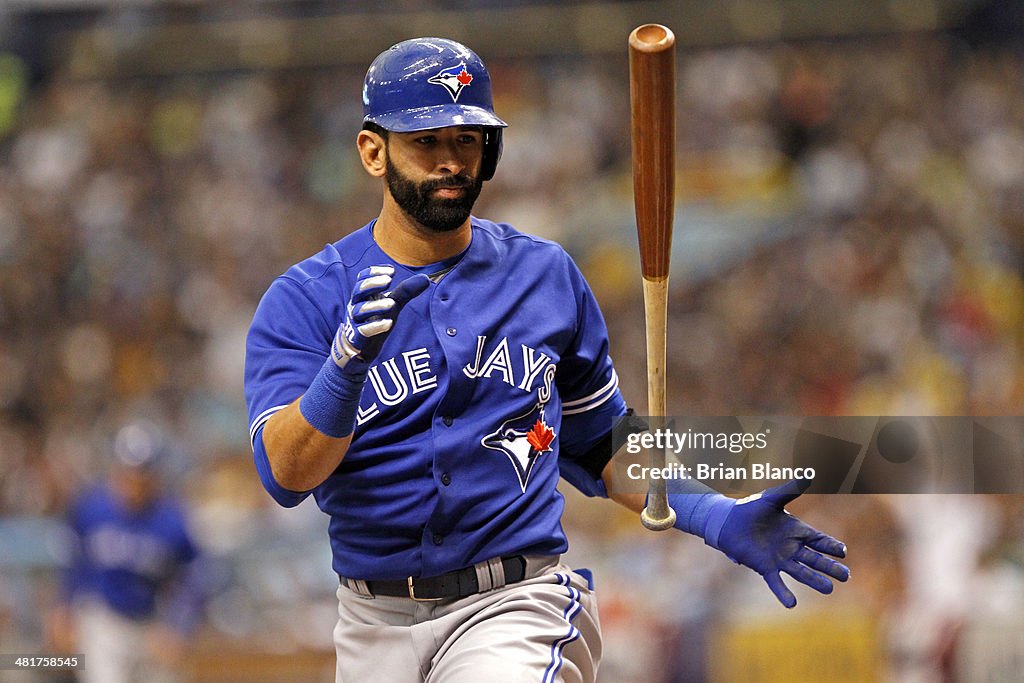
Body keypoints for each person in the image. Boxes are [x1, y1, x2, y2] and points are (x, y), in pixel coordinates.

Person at [244, 37, 850, 682]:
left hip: (513, 603)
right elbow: (285, 475)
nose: (451, 161)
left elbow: (603, 446)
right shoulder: (307, 299)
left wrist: (711, 512)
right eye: (427, 142)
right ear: (373, 151)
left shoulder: (544, 276)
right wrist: (342, 373)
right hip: (370, 623)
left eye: (467, 140)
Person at [51, 421, 203, 683]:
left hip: (150, 623)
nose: (135, 480)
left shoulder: (171, 520)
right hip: (103, 621)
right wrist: (63, 607)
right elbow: (73, 561)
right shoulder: (92, 508)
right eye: (129, 472)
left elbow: (195, 575)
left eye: (143, 473)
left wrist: (178, 626)